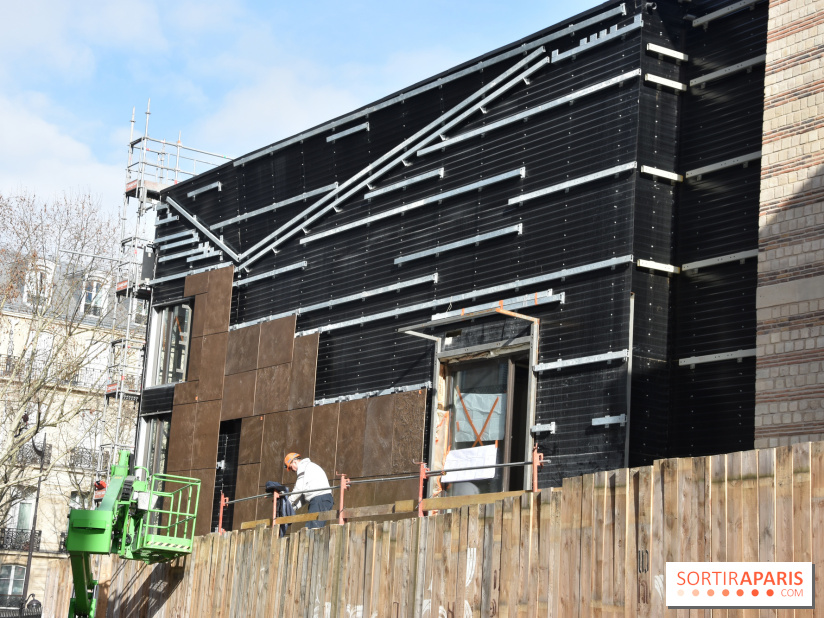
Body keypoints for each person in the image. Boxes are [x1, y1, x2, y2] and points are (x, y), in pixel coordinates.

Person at [283, 452, 333, 529]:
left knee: (312, 531)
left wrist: (287, 503)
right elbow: (304, 496)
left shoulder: (303, 467)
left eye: (290, 467)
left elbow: (299, 489)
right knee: (314, 530)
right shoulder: (309, 467)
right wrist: (293, 507)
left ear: (295, 462)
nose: (292, 470)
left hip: (319, 500)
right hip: (322, 500)